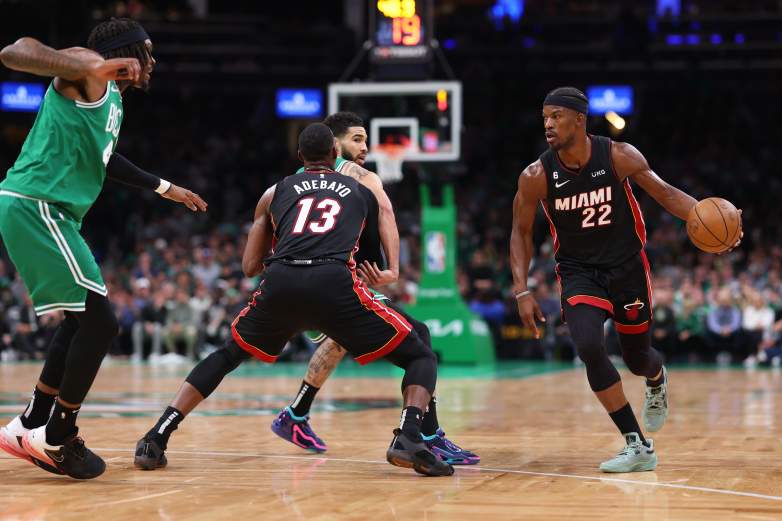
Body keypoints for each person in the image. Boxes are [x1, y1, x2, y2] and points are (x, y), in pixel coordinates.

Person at [134, 123, 454, 477]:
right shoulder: (360, 190)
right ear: (335, 155)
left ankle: (156, 436)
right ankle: (409, 437)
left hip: (282, 283)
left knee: (228, 354)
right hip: (334, 285)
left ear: (300, 158)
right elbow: (367, 264)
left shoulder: (275, 192)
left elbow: (250, 266)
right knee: (420, 352)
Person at [0, 18, 207, 479]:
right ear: (128, 54)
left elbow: (104, 159)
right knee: (101, 323)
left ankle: (32, 422)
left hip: (54, 212)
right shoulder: (89, 69)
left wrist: (163, 186)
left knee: (83, 320)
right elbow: (15, 51)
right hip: (38, 205)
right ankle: (57, 435)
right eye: (146, 53)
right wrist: (91, 64)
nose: (152, 63)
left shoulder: (110, 97)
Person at [510, 86, 741, 473]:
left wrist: (716, 221)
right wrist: (521, 289)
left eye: (557, 117)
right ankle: (637, 445)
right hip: (579, 272)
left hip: (627, 268)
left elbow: (666, 194)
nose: (548, 124)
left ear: (579, 119)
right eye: (544, 117)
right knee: (588, 346)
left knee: (638, 359)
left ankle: (656, 377)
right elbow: (519, 232)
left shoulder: (618, 155)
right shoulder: (536, 175)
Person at [270, 112, 478, 465]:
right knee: (420, 339)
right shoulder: (360, 176)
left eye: (366, 140)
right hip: (335, 280)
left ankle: (296, 413)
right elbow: (385, 211)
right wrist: (393, 268)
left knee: (338, 341)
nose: (365, 147)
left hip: (302, 276)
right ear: (334, 144)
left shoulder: (296, 179)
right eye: (357, 139)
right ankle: (426, 434)